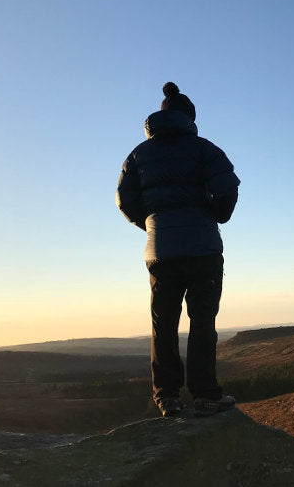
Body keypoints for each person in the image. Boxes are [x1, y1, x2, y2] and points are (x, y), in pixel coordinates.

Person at [117, 82, 240, 417]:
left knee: (164, 323)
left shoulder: (138, 156)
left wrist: (153, 224)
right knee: (202, 321)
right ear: (189, 117)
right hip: (203, 249)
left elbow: (125, 200)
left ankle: (167, 397)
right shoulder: (204, 150)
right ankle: (205, 395)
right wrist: (216, 216)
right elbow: (227, 189)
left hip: (160, 252)